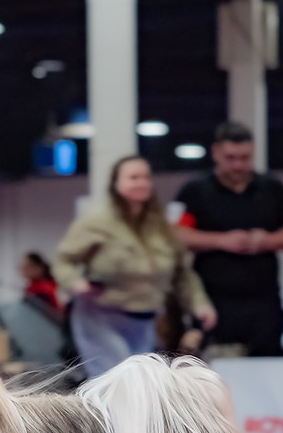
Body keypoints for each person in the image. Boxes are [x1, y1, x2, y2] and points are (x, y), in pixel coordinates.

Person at [53, 155, 216, 378]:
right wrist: (75, 283)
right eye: (133, 177)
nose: (142, 183)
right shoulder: (96, 223)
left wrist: (200, 304)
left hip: (144, 320)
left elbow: (182, 275)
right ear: (116, 183)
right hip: (101, 316)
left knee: (140, 382)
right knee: (117, 379)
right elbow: (63, 261)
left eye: (146, 177)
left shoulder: (161, 228)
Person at [174, 121, 283, 357]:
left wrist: (267, 241)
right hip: (214, 299)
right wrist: (221, 241)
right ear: (216, 153)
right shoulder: (194, 190)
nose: (238, 165)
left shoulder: (272, 187)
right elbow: (176, 233)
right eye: (230, 158)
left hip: (263, 300)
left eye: (244, 158)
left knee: (266, 359)